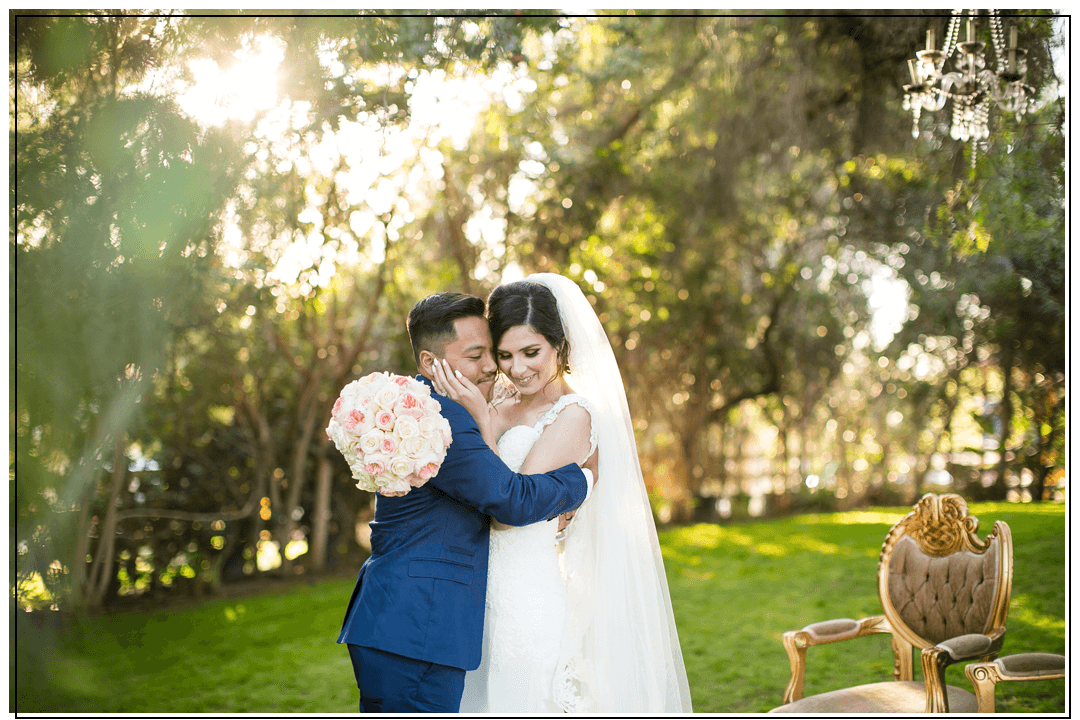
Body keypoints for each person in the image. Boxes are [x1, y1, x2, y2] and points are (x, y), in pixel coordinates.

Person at [433, 274, 693, 712]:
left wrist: (480, 419)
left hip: (526, 598)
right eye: (505, 355)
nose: (518, 369)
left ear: (559, 345)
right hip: (478, 597)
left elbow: (506, 510)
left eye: (531, 352)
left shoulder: (573, 415)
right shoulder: (500, 404)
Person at [337, 292, 593, 713]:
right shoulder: (445, 417)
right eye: (477, 355)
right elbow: (510, 502)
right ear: (429, 362)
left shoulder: (419, 406)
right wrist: (582, 479)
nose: (494, 366)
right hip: (419, 627)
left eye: (493, 353)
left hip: (400, 619)